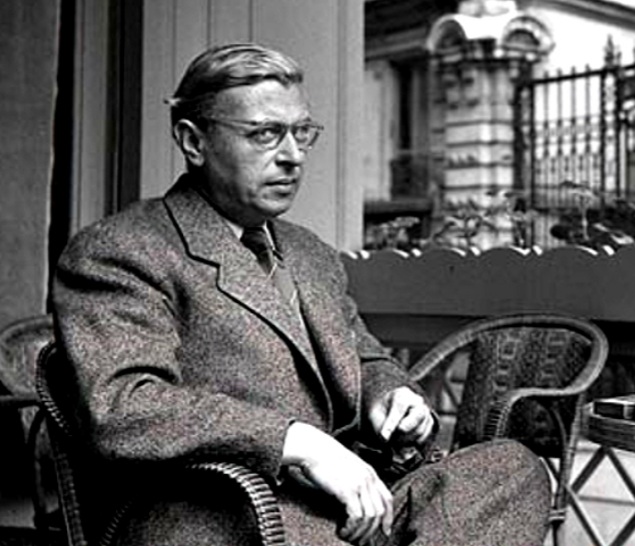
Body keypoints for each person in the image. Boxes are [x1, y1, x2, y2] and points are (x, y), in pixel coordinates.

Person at [52, 43, 551, 546]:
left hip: (355, 499)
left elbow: (365, 358)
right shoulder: (122, 249)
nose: (292, 156)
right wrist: (300, 443)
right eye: (265, 134)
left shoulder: (310, 253)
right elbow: (123, 406)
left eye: (301, 133)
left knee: (512, 469)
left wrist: (392, 398)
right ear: (193, 141)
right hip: (228, 507)